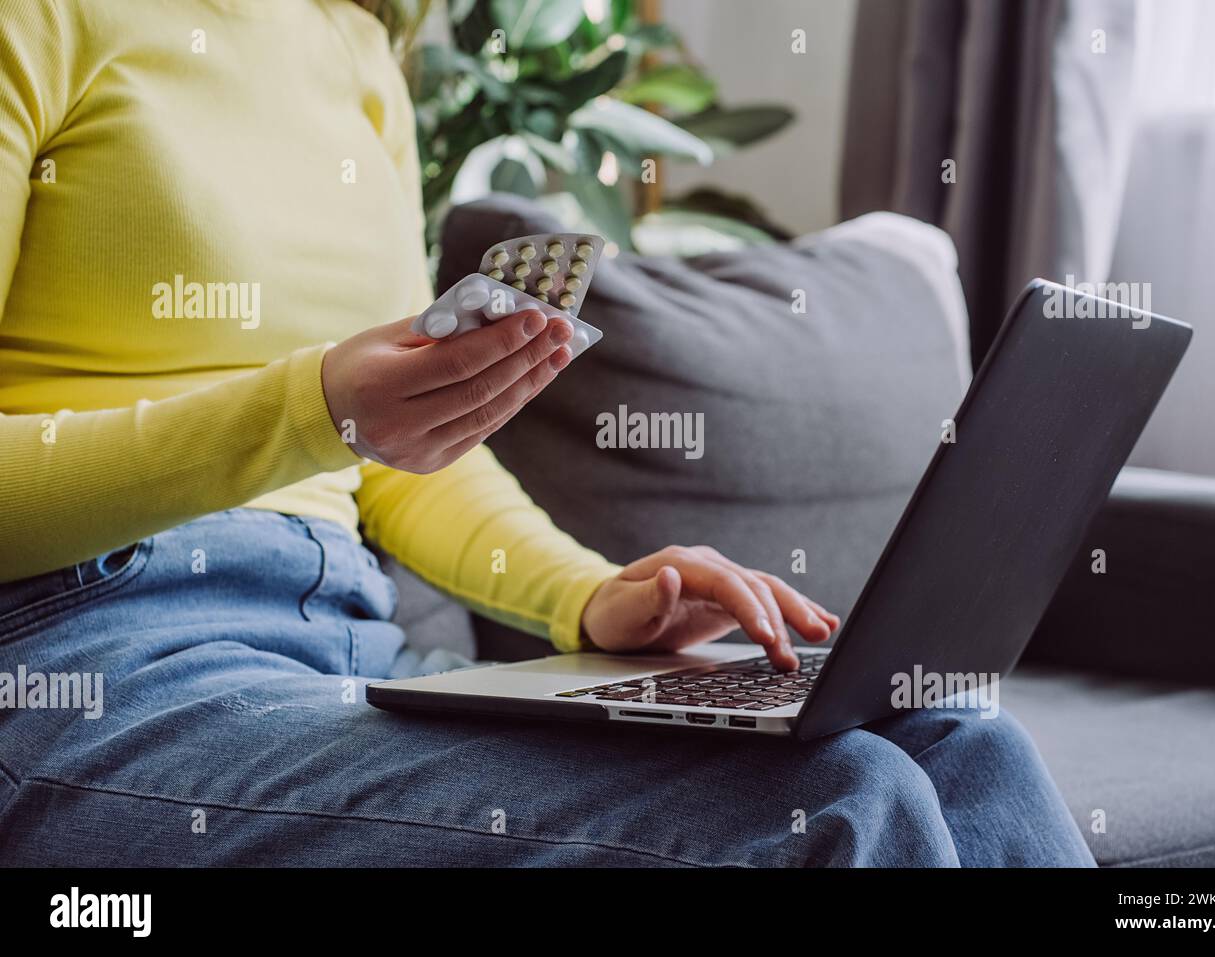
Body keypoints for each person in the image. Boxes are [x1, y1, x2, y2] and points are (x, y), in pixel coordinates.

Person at [0, 0, 1093, 866]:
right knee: (840, 805)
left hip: (344, 646)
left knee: (956, 743)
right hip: (87, 656)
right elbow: (325, 416)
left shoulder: (354, 45)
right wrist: (306, 408)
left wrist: (589, 597)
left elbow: (401, 461)